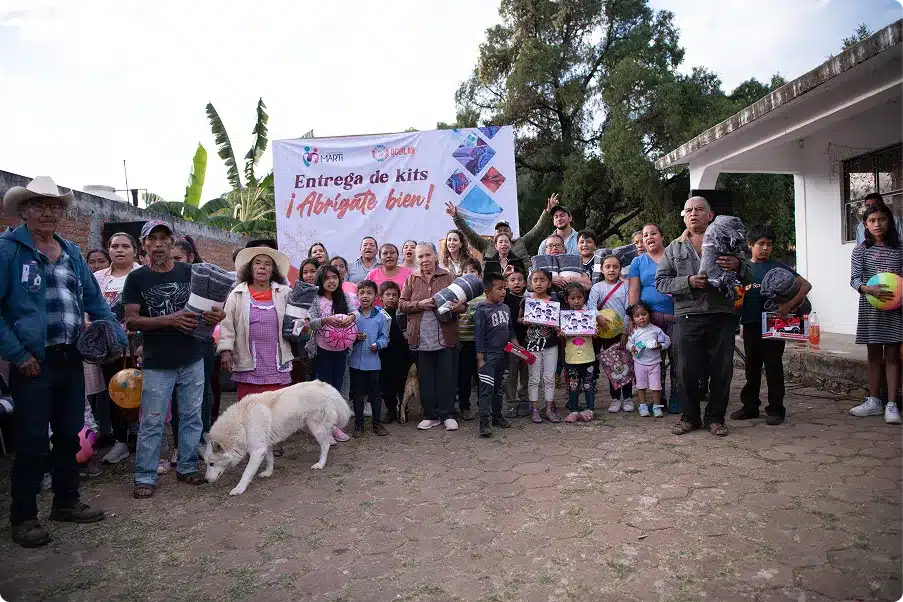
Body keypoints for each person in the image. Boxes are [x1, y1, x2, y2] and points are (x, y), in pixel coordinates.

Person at [0, 176, 127, 547]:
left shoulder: (71, 251)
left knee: (71, 434)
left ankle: (66, 502)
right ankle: (23, 517)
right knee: (32, 440)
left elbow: (95, 301)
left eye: (54, 207)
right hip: (33, 362)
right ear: (24, 211)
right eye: (39, 205)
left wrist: (115, 336)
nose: (48, 213)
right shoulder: (8, 250)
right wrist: (19, 355)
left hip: (72, 357)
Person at [124, 220, 225, 499]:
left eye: (163, 239)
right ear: (143, 245)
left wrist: (218, 315)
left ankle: (188, 466)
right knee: (153, 421)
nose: (158, 244)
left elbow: (214, 308)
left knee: (192, 417)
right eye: (151, 239)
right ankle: (145, 474)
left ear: (172, 243)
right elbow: (131, 321)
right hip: (157, 361)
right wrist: (170, 319)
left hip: (192, 356)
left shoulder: (191, 272)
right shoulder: (137, 279)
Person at [655, 196, 752, 437]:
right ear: (684, 216)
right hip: (688, 315)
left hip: (722, 314)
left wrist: (738, 266)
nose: (693, 214)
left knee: (721, 369)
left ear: (710, 215)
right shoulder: (674, 248)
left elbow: (750, 274)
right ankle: (690, 418)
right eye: (689, 210)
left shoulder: (728, 241)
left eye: (699, 210)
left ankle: (716, 418)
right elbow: (660, 282)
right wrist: (687, 282)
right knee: (686, 369)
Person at [732, 224, 811, 426]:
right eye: (761, 244)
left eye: (769, 244)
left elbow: (806, 285)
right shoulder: (743, 268)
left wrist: (788, 305)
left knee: (773, 367)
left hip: (774, 325)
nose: (766, 248)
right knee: (751, 368)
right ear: (750, 245)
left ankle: (776, 410)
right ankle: (750, 407)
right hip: (750, 324)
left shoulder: (778, 267)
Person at [399, 242, 465, 431]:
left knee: (447, 377)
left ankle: (447, 414)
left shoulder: (449, 277)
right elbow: (402, 305)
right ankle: (430, 415)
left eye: (427, 255)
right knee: (426, 378)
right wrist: (420, 304)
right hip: (420, 337)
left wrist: (457, 307)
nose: (424, 260)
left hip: (446, 336)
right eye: (420, 257)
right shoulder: (411, 279)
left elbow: (463, 305)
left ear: (435, 256)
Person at [849, 202, 903, 424]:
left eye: (881, 219)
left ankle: (892, 404)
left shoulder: (900, 248)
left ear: (889, 222)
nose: (877, 224)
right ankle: (873, 401)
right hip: (871, 308)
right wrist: (868, 289)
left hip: (895, 309)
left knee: (892, 356)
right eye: (872, 221)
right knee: (873, 355)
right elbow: (854, 279)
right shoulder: (860, 250)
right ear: (865, 225)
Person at [218, 246, 294, 401]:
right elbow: (227, 325)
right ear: (250, 268)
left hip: (277, 363)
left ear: (273, 270)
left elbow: (297, 319)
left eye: (267, 264)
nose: (262, 267)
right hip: (248, 363)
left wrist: (302, 326)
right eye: (257, 263)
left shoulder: (285, 293)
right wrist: (226, 350)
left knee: (278, 411)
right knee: (248, 411)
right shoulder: (237, 294)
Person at [94, 232, 142, 465]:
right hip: (107, 347)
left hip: (136, 347)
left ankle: (142, 436)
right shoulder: (97, 278)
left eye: (125, 246)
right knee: (116, 393)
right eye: (114, 246)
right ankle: (121, 441)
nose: (120, 250)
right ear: (108, 250)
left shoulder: (142, 274)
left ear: (135, 250)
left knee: (140, 393)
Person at [628, 223, 677, 411]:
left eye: (653, 233)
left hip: (675, 316)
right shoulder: (638, 262)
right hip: (649, 319)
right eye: (645, 234)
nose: (649, 237)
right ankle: (659, 398)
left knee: (677, 358)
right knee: (655, 358)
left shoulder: (673, 256)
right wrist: (632, 318)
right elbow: (634, 289)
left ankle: (677, 397)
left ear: (662, 236)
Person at [446, 193, 556, 266]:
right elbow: (468, 233)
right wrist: (456, 217)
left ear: (512, 234)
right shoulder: (485, 245)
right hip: (495, 291)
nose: (502, 232)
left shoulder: (521, 243)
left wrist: (548, 212)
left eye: (505, 230)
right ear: (494, 236)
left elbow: (537, 230)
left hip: (521, 289)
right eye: (499, 231)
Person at [474, 272, 517, 437]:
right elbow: (478, 337)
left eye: (504, 288)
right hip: (488, 357)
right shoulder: (481, 311)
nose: (503, 292)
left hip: (504, 355)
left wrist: (516, 343)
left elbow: (510, 328)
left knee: (499, 388)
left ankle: (497, 417)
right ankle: (484, 423)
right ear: (487, 291)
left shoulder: (505, 307)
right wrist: (480, 358)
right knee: (487, 389)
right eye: (499, 289)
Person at [589, 255, 632, 412]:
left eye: (615, 267)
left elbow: (629, 311)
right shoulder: (597, 287)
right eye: (608, 267)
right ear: (602, 269)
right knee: (610, 364)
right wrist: (598, 316)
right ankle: (614, 398)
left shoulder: (625, 287)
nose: (611, 270)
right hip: (603, 332)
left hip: (620, 333)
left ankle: (627, 398)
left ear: (620, 269)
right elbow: (591, 305)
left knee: (624, 364)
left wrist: (624, 332)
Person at [306, 264, 358, 393]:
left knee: (338, 383)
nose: (332, 281)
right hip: (322, 349)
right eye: (327, 278)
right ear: (320, 280)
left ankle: (337, 411)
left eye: (334, 277)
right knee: (324, 386)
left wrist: (351, 317)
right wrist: (326, 321)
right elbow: (311, 322)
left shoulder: (344, 297)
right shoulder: (315, 299)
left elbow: (357, 313)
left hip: (342, 349)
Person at [349, 280, 389, 437]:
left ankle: (377, 424)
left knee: (375, 395)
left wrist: (378, 345)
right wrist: (355, 338)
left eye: (369, 293)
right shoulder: (353, 316)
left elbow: (385, 337)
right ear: (357, 295)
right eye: (362, 293)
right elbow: (346, 337)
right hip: (356, 363)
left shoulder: (381, 317)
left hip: (373, 363)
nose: (365, 296)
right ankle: (359, 425)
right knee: (357, 395)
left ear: (375, 296)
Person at [520, 269, 561, 424]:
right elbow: (518, 318)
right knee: (534, 378)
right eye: (535, 280)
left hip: (551, 345)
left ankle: (549, 409)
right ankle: (535, 409)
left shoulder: (554, 301)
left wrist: (558, 327)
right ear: (530, 282)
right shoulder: (527, 300)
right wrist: (524, 320)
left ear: (549, 283)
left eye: (542, 280)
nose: (539, 283)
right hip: (531, 344)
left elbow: (560, 321)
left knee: (549, 377)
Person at [627, 301, 671, 418]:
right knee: (641, 385)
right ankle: (643, 406)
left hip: (655, 363)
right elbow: (629, 343)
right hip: (639, 363)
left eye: (644, 314)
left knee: (656, 386)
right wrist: (632, 348)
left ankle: (657, 407)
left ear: (649, 314)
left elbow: (667, 341)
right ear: (633, 319)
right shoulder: (634, 332)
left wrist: (660, 346)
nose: (641, 318)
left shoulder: (656, 330)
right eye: (637, 316)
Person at [561, 282, 597, 422]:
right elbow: (562, 337)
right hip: (571, 358)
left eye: (579, 298)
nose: (576, 301)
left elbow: (595, 335)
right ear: (567, 300)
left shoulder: (589, 315)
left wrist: (594, 333)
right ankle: (573, 410)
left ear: (584, 298)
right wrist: (561, 334)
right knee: (573, 385)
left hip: (588, 357)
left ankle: (590, 409)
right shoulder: (564, 317)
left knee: (588, 384)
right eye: (573, 298)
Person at [378, 281, 412, 423]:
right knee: (386, 384)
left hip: (403, 354)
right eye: (387, 295)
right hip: (385, 355)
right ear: (381, 296)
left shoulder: (403, 314)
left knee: (402, 383)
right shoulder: (378, 314)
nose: (391, 298)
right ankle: (390, 410)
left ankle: (403, 409)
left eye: (394, 295)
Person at [456, 259, 485, 421]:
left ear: (479, 275)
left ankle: (483, 406)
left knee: (481, 376)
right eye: (465, 271)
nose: (468, 273)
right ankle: (464, 406)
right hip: (464, 342)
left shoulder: (485, 294)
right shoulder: (458, 295)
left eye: (472, 271)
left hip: (481, 343)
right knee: (464, 377)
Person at [290, 258, 320, 385]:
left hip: (323, 341)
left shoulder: (325, 292)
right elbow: (293, 321)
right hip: (304, 339)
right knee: (308, 376)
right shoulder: (297, 293)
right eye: (305, 272)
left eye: (313, 271)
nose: (309, 275)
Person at [503, 269, 529, 417]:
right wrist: (518, 320)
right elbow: (506, 321)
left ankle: (524, 401)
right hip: (511, 344)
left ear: (525, 283)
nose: (517, 282)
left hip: (527, 342)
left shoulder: (530, 299)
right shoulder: (505, 299)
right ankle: (511, 403)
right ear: (507, 284)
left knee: (525, 373)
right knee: (512, 374)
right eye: (513, 280)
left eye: (520, 280)